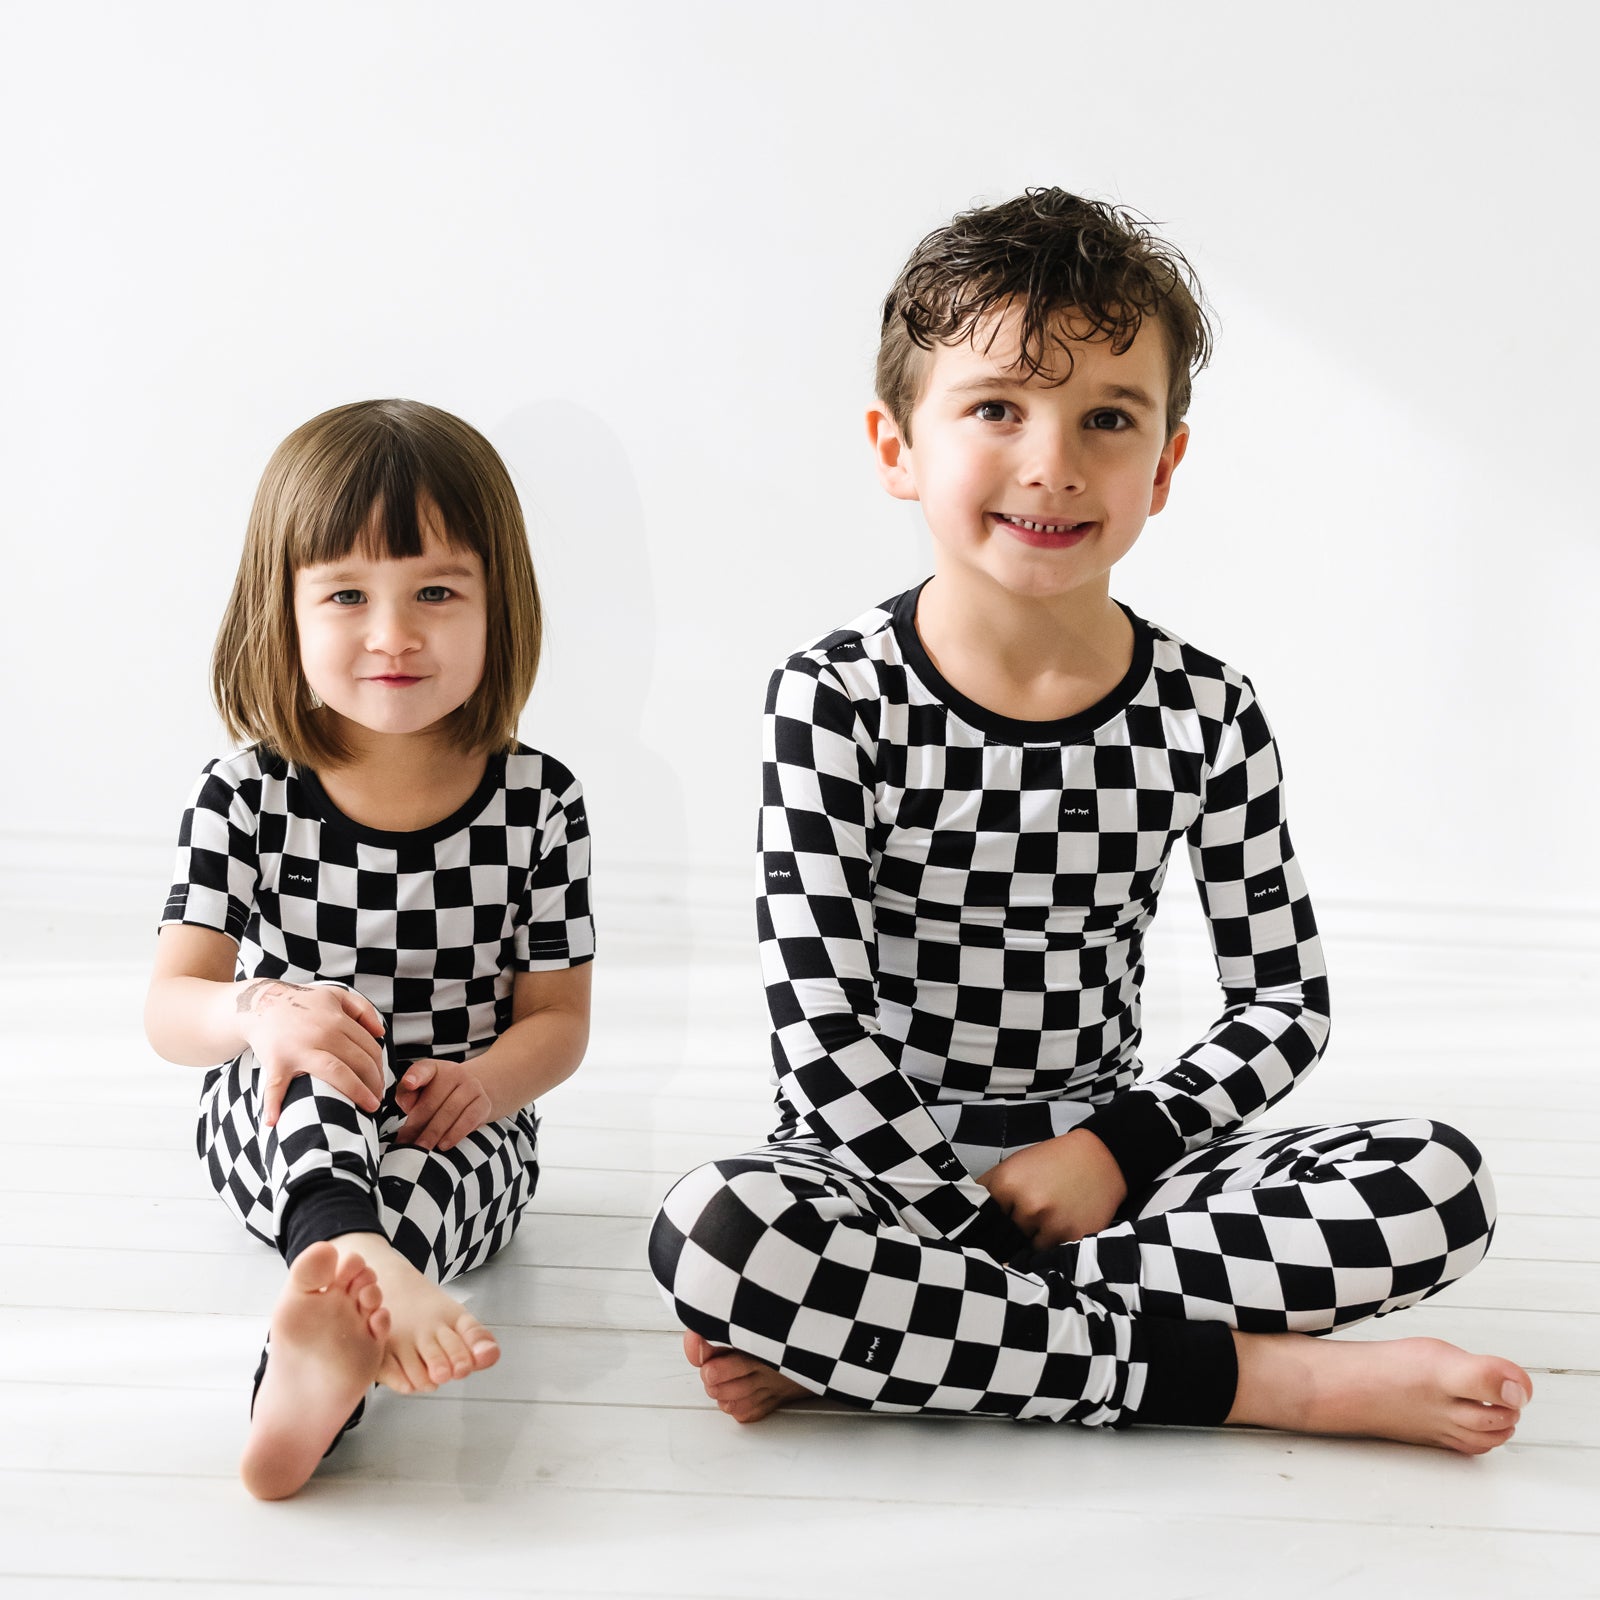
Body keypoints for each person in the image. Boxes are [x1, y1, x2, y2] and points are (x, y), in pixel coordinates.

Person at [649, 189, 1531, 1453]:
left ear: (1164, 463)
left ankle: (900, 1344)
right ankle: (1274, 1383)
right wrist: (962, 1223)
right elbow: (820, 1027)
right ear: (896, 443)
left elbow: (1282, 1005)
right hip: (871, 1176)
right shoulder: (834, 694)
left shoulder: (1205, 710)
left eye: (1107, 418)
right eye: (996, 406)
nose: (1052, 460)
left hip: (1108, 1172)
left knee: (1436, 1184)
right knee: (719, 1230)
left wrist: (1112, 1151)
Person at [145, 399, 594, 1498]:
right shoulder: (247, 790)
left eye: (436, 591)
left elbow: (558, 1020)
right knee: (321, 1064)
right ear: (282, 610)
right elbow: (172, 1007)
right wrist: (262, 1013)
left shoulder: (539, 800)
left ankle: (314, 1362)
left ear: (499, 606)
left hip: (462, 1131)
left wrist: (485, 1083)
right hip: (278, 1118)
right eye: (346, 595)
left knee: (425, 1175)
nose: (393, 632)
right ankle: (359, 1256)